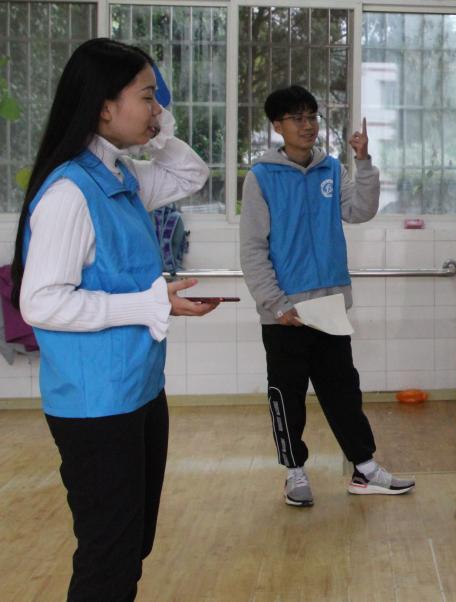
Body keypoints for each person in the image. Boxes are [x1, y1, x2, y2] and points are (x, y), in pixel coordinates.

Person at [9, 38, 214, 600]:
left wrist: (158, 129)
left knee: (130, 547)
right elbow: (41, 302)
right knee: (108, 560)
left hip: (139, 392)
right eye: (147, 97)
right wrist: (148, 303)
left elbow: (190, 174)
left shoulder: (119, 175)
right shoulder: (71, 192)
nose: (156, 109)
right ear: (104, 106)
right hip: (96, 407)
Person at [240, 85, 414, 507]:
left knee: (344, 392)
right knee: (287, 396)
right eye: (297, 118)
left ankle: (364, 468)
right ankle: (294, 472)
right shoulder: (261, 177)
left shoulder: (331, 169)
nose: (308, 125)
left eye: (312, 116)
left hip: (330, 306)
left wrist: (364, 161)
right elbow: (252, 248)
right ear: (277, 125)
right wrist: (276, 303)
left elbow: (361, 211)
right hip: (286, 312)